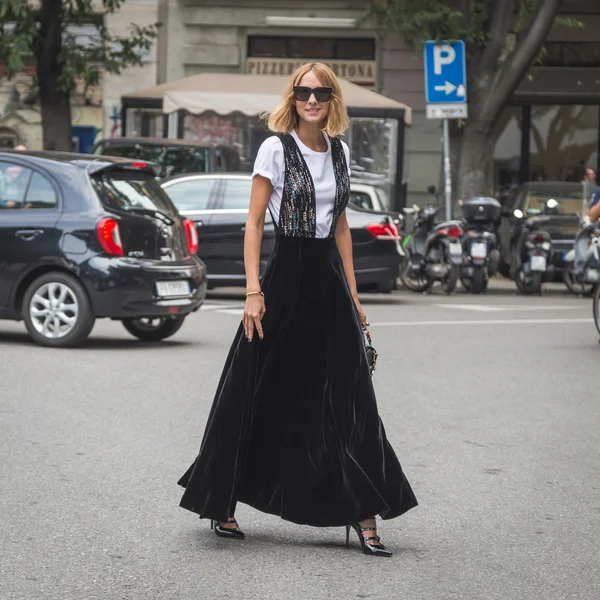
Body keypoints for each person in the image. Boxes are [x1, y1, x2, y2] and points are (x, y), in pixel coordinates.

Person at [177, 63, 417, 557]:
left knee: (351, 396)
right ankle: (222, 501)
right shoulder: (276, 147)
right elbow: (253, 222)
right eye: (304, 92)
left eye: (321, 92)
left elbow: (342, 229)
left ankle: (363, 513)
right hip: (284, 276)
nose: (312, 99)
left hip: (328, 279)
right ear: (294, 97)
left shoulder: (341, 151)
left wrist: (354, 295)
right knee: (253, 386)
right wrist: (252, 291)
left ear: (332, 99)